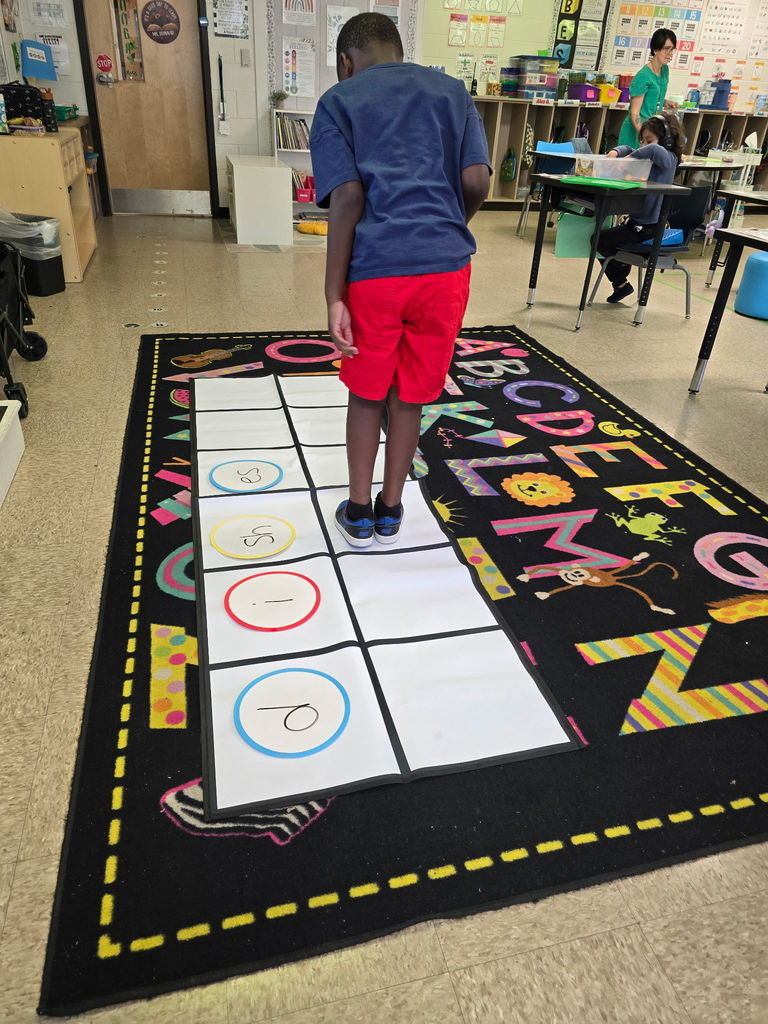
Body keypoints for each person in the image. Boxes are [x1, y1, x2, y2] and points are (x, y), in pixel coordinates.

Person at [309, 13, 491, 548]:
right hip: (446, 272)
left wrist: (333, 294)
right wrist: (443, 231)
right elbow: (476, 180)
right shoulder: (452, 92)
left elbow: (347, 198)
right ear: (398, 48)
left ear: (347, 61)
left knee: (367, 396)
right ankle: (393, 511)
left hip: (377, 274)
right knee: (409, 397)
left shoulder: (338, 102)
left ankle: (359, 512)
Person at [596, 112, 684, 304]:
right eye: (642, 140)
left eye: (649, 139)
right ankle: (621, 279)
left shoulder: (668, 158)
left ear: (667, 140)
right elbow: (632, 147)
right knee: (600, 239)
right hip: (636, 225)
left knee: (598, 240)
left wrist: (628, 159)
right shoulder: (649, 154)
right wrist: (616, 152)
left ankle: (620, 280)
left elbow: (652, 150)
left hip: (650, 230)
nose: (644, 145)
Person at [617, 28, 678, 149]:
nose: (670, 53)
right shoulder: (643, 76)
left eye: (672, 49)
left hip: (653, 129)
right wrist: (645, 137)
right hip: (638, 130)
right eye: (666, 49)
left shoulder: (664, 70)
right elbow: (634, 114)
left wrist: (666, 102)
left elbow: (653, 95)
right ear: (655, 49)